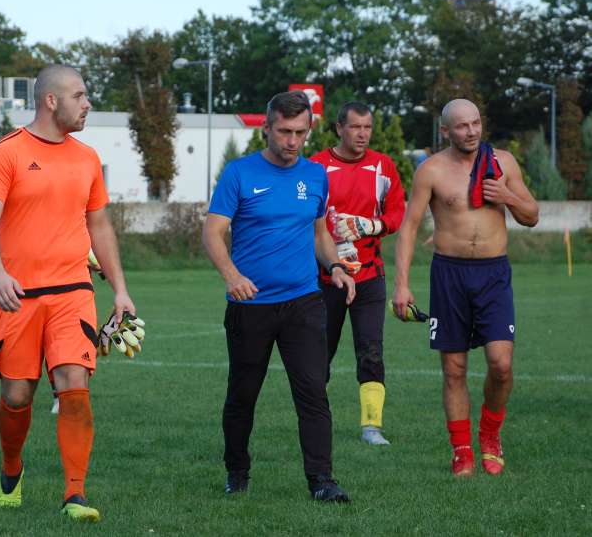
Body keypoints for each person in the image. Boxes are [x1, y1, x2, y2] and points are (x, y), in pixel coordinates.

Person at [0, 64, 135, 522]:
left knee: (74, 385)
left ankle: (75, 495)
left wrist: (120, 289)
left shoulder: (86, 158)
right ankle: (10, 469)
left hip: (73, 291)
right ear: (51, 101)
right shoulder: (7, 151)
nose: (88, 104)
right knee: (18, 395)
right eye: (80, 96)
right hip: (17, 295)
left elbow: (99, 225)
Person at [202, 91, 356, 503]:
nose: (292, 141)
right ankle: (237, 471)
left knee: (312, 391)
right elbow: (213, 231)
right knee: (243, 393)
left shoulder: (316, 176)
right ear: (266, 128)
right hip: (250, 307)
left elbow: (321, 233)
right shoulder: (238, 174)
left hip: (304, 302)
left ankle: (322, 480)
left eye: (300, 132)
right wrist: (231, 275)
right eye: (284, 132)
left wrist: (336, 267)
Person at [392, 99, 538, 476]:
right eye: (462, 126)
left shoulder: (503, 163)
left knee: (501, 365)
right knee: (454, 369)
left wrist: (506, 196)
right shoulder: (431, 170)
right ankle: (462, 451)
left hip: (493, 274)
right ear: (445, 131)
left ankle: (490, 435)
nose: (471, 131)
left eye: (475, 123)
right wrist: (402, 285)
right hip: (449, 275)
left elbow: (532, 215)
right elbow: (409, 227)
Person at [310, 102, 406, 446]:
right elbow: (304, 219)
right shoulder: (316, 166)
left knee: (371, 350)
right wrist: (332, 242)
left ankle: (372, 428)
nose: (362, 134)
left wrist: (372, 225)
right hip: (325, 279)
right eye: (355, 127)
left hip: (369, 277)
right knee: (319, 355)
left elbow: (397, 213)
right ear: (339, 128)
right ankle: (315, 423)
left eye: (367, 127)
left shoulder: (384, 165)